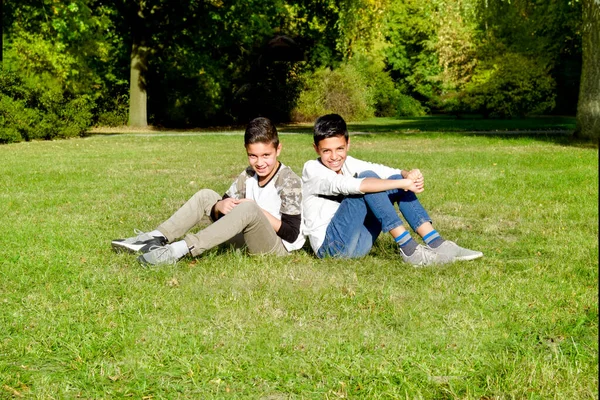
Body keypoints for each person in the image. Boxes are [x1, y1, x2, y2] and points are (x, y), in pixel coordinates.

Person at [112, 117, 304, 266]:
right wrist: (219, 206)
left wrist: (256, 211)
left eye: (266, 155)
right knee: (207, 196)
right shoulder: (248, 175)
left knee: (249, 209)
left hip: (275, 248)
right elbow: (223, 212)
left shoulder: (289, 181)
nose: (259, 162)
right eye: (252, 156)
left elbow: (292, 234)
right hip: (246, 239)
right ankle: (155, 237)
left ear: (278, 149)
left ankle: (180, 250)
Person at [302, 113, 482, 266]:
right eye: (326, 151)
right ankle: (409, 249)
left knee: (392, 178)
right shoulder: (312, 169)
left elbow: (385, 171)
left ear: (348, 144)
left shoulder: (347, 162)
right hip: (331, 249)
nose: (334, 156)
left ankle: (437, 243)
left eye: (339, 149)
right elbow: (354, 185)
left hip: (358, 245)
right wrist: (403, 184)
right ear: (316, 149)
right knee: (368, 181)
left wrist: (407, 175)